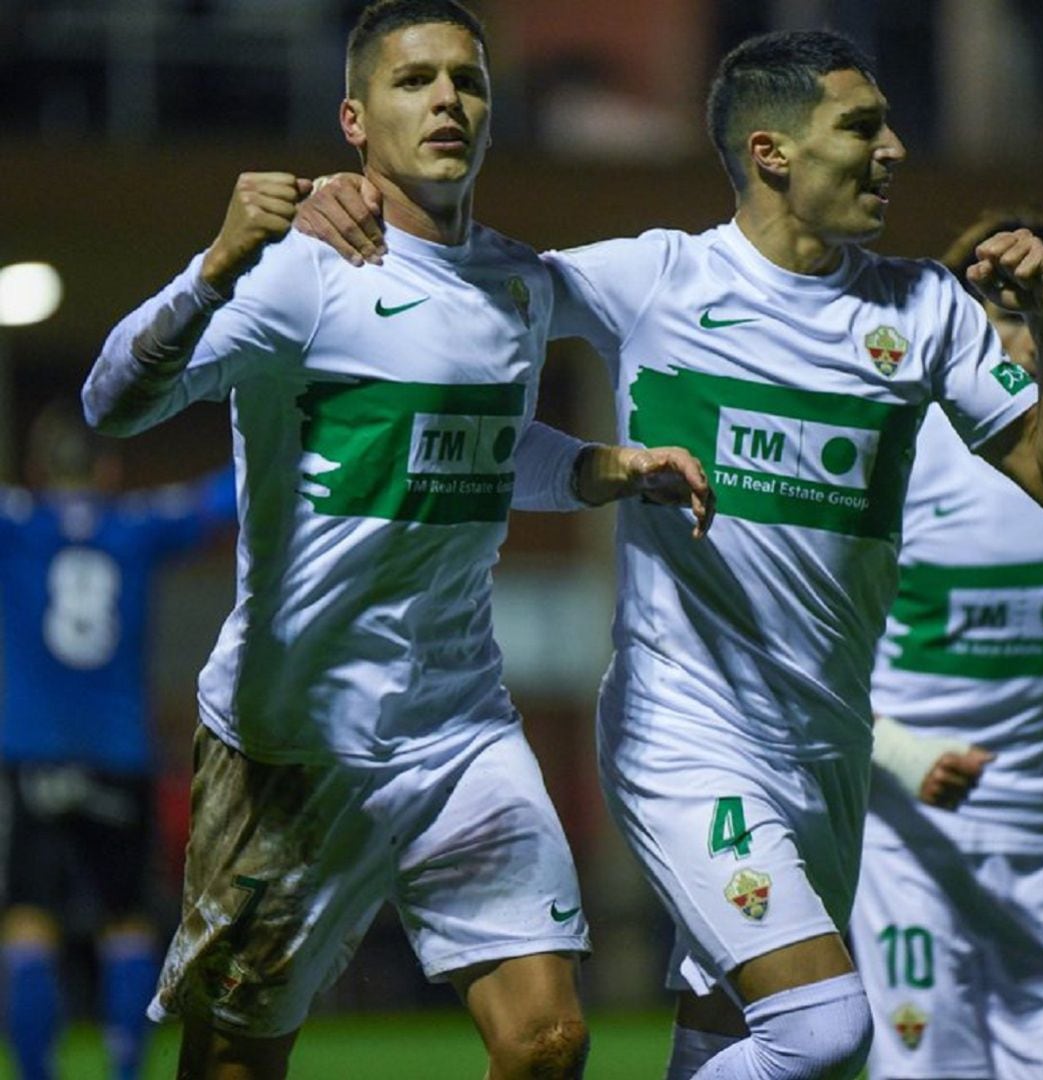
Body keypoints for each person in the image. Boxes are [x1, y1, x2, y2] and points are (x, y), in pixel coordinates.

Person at [297, 27, 1043, 1080]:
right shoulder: (660, 277)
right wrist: (339, 214)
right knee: (824, 1031)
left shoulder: (924, 310)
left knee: (729, 1040)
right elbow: (466, 287)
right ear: (772, 153)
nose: (894, 148)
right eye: (862, 126)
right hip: (688, 737)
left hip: (828, 746)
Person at [81, 2, 712, 1077]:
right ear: (355, 121)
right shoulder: (297, 271)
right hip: (294, 739)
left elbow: (480, 447)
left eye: (467, 82)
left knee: (550, 1040)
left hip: (456, 728)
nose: (447, 101)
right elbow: (111, 403)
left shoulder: (514, 285)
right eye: (415, 81)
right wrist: (219, 260)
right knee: (238, 1059)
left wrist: (606, 468)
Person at [848, 212, 1043, 1080]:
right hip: (915, 850)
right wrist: (903, 752)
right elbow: (801, 659)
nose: (1012, 337)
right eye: (995, 308)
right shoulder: (902, 456)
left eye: (1034, 309)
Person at [0, 399, 235, 1080]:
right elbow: (224, 500)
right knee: (127, 917)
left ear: (39, 470)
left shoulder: (16, 524)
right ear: (108, 471)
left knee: (27, 918)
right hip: (120, 752)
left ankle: (36, 1073)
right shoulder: (136, 528)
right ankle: (126, 1069)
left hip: (30, 751)